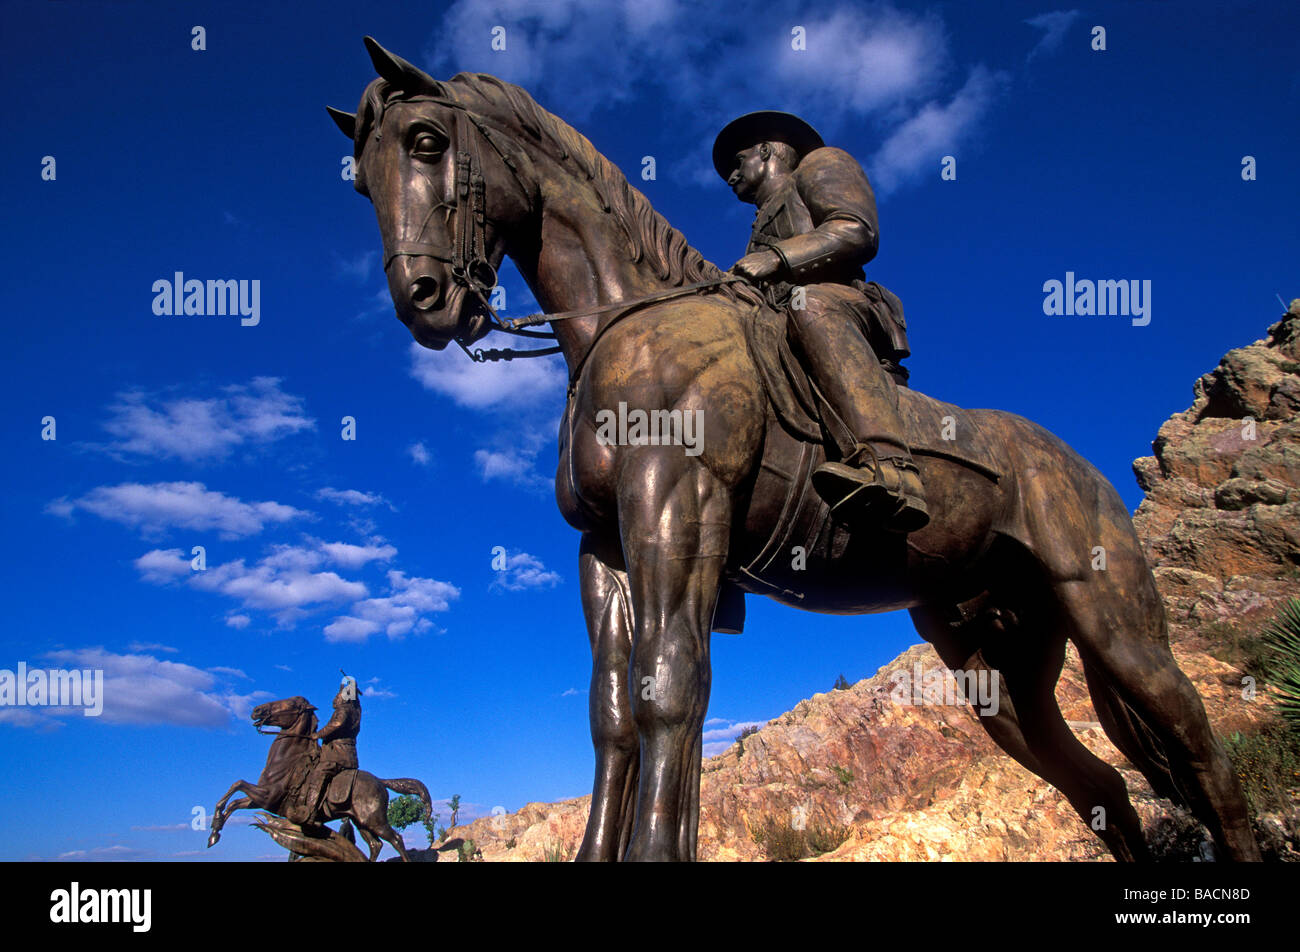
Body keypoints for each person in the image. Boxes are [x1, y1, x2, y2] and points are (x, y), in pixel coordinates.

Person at [713, 111, 928, 532]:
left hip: (841, 304)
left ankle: (889, 466)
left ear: (767, 150)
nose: (730, 176)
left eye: (737, 162)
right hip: (782, 321)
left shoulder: (821, 164)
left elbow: (855, 231)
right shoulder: (758, 223)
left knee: (808, 303)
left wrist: (777, 258)